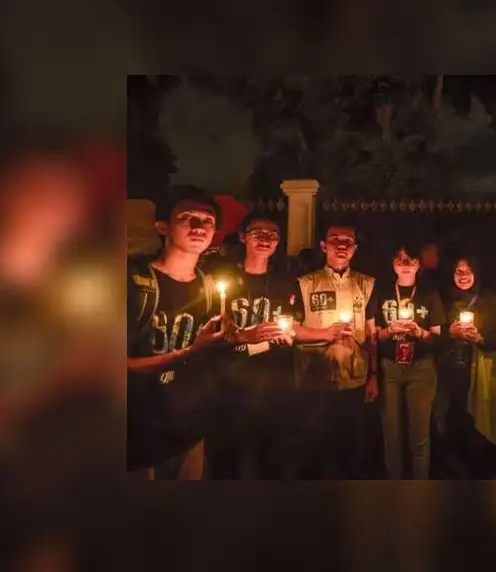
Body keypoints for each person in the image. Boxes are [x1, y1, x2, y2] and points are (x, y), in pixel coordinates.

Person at [126, 185, 230, 480]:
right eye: (187, 217)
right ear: (163, 227)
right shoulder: (134, 283)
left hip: (189, 432)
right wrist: (190, 352)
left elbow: (208, 353)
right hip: (138, 437)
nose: (199, 226)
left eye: (208, 220)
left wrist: (237, 338)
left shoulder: (207, 286)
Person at [204, 210, 299, 479]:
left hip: (272, 378)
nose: (265, 239)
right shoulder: (220, 277)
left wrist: (287, 334)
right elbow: (209, 326)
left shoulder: (284, 281)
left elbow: (291, 321)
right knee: (227, 457)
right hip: (229, 379)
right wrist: (239, 335)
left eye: (272, 235)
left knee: (270, 453)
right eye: (258, 233)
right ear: (243, 237)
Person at [290, 222, 380, 479]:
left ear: (355, 248)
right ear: (323, 246)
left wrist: (374, 376)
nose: (342, 245)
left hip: (355, 377)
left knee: (350, 446)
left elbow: (372, 333)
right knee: (315, 447)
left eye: (348, 240)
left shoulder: (367, 284)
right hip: (315, 376)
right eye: (335, 239)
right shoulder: (305, 283)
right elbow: (291, 329)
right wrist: (325, 334)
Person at [374, 241, 446, 479]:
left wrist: (419, 333)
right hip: (390, 368)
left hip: (421, 368)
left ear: (418, 264)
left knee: (419, 434)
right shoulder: (382, 292)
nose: (405, 264)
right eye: (399, 259)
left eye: (410, 260)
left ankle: (419, 485)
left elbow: (437, 338)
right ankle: (394, 484)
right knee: (391, 433)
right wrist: (390, 330)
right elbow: (374, 335)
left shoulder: (429, 294)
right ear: (392, 264)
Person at [435, 254, 496, 478]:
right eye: (458, 271)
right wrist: (450, 332)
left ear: (476, 274)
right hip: (450, 369)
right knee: (451, 416)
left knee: (478, 417)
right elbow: (433, 333)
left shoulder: (489, 301)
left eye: (468, 271)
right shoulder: (442, 300)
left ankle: (480, 467)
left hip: (479, 368)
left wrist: (479, 338)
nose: (463, 276)